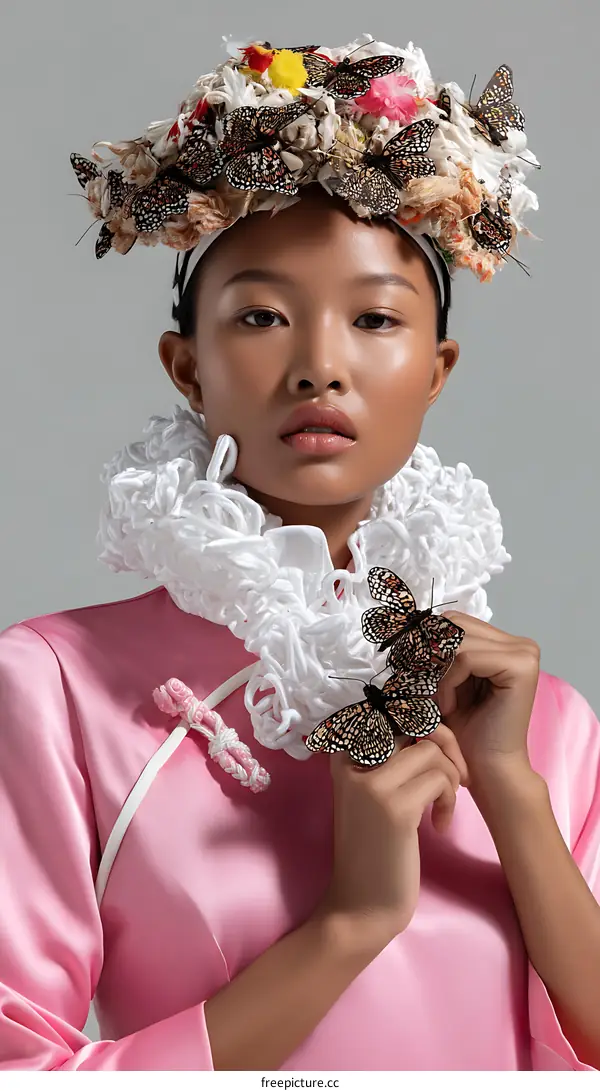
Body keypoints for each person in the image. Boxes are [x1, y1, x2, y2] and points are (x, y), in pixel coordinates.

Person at [1, 32, 599, 1073]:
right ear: (187, 366)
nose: (321, 366)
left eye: (375, 318)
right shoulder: (56, 688)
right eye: (264, 317)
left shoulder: (533, 716)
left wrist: (511, 790)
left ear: (437, 368)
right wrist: (351, 923)